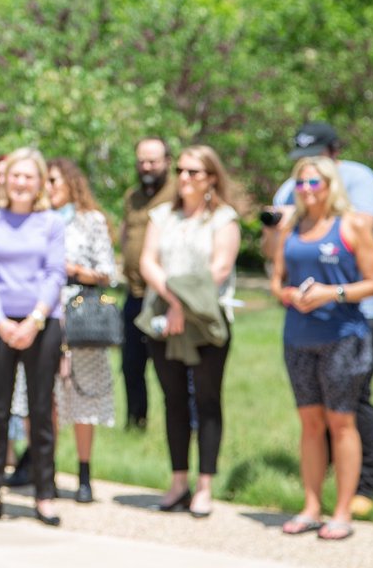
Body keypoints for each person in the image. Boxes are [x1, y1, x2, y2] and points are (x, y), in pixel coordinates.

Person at [262, 121, 373, 517]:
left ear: (335, 152)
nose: (305, 177)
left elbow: (362, 230)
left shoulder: (359, 178)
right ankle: (320, 493)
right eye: (301, 166)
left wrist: (319, 210)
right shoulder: (293, 188)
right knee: (315, 412)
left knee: (354, 402)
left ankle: (365, 486)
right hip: (305, 323)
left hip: (361, 313)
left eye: (315, 162)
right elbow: (276, 252)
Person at [139, 144, 242, 518]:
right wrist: (173, 302)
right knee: (174, 401)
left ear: (211, 178)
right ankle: (178, 481)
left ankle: (204, 486)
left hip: (206, 322)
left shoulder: (224, 219)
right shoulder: (161, 215)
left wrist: (180, 304)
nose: (184, 177)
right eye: (181, 170)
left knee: (207, 401)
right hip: (163, 320)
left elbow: (220, 269)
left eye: (193, 172)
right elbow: (147, 262)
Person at [0, 147, 66, 526]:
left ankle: (44, 493)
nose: (21, 183)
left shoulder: (52, 223)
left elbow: (54, 274)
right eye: (16, 175)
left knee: (41, 411)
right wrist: (2, 324)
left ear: (40, 182)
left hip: (41, 325)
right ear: (5, 179)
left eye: (29, 176)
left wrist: (34, 320)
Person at [48, 157, 116, 504]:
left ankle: (85, 473)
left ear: (71, 183)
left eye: (54, 180)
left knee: (82, 395)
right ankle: (47, 470)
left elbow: (108, 271)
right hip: (44, 315)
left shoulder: (91, 221)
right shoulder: (36, 219)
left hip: (80, 317)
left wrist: (71, 269)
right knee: (46, 398)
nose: (47, 188)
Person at [119, 137, 177, 431]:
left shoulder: (178, 193)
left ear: (168, 161)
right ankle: (136, 423)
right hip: (134, 293)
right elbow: (126, 232)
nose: (146, 166)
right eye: (141, 161)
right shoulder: (133, 196)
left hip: (165, 296)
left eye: (153, 161)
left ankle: (178, 423)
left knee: (169, 368)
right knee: (130, 365)